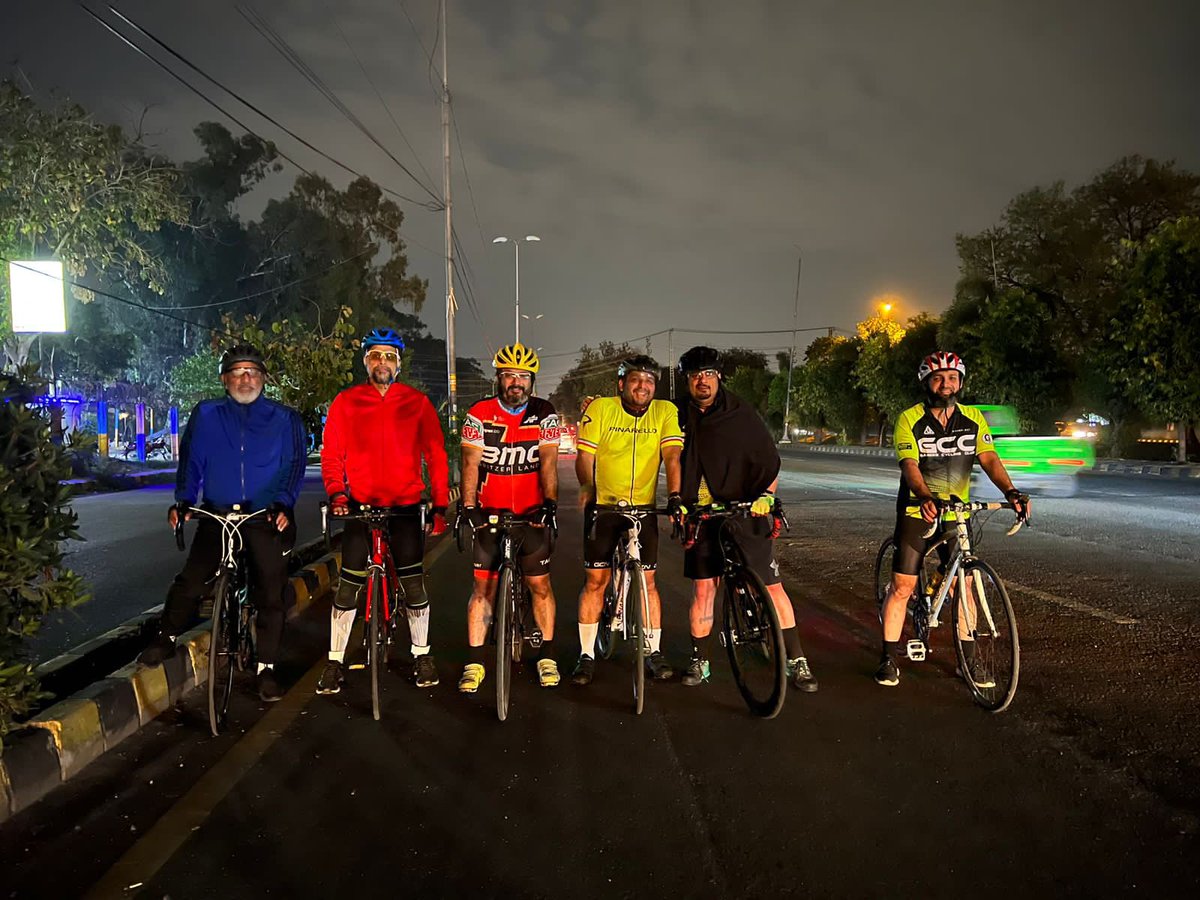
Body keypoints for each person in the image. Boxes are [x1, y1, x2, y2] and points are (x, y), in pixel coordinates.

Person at [138, 344, 306, 703]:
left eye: (252, 372)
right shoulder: (207, 414)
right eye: (237, 372)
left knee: (270, 592)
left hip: (261, 515)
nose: (245, 379)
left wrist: (282, 505)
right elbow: (193, 460)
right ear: (224, 379)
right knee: (192, 579)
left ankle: (266, 669)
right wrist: (184, 500)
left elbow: (293, 466)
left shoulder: (284, 418)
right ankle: (165, 638)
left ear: (263, 378)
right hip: (217, 514)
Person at [875, 351, 1029, 688]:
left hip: (955, 512)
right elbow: (910, 465)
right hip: (919, 510)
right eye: (938, 378)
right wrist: (925, 497)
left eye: (953, 378)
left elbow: (988, 457)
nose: (946, 384)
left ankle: (969, 662)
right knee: (903, 587)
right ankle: (887, 657)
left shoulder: (973, 418)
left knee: (966, 584)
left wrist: (1011, 492)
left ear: (960, 382)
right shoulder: (909, 419)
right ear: (926, 382)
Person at [672, 346, 818, 692]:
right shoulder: (678, 414)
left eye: (708, 374)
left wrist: (766, 497)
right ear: (687, 382)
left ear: (718, 377)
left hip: (747, 506)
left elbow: (768, 460)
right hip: (701, 512)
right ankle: (700, 660)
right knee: (704, 589)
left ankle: (797, 661)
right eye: (695, 376)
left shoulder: (739, 412)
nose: (701, 381)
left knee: (771, 585)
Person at [316, 327, 449, 695]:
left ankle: (422, 653)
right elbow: (331, 456)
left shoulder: (417, 403)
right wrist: (337, 495)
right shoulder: (346, 402)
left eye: (389, 356)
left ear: (398, 364)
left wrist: (439, 504)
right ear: (365, 362)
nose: (382, 362)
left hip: (404, 506)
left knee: (413, 582)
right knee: (348, 588)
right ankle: (334, 661)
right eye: (375, 355)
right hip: (360, 507)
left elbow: (436, 456)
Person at [571, 355, 684, 685]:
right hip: (604, 508)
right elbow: (585, 457)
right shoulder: (601, 408)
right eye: (636, 380)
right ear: (621, 384)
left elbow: (673, 456)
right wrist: (587, 486)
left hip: (644, 509)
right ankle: (586, 654)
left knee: (648, 582)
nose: (643, 386)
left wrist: (675, 496)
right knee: (596, 582)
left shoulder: (665, 412)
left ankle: (653, 651)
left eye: (649, 381)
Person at [457, 343, 562, 692]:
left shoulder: (544, 412)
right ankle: (475, 663)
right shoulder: (479, 412)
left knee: (540, 586)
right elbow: (470, 462)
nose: (516, 382)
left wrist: (549, 502)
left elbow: (547, 461)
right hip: (490, 514)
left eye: (523, 376)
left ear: (532, 381)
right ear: (498, 379)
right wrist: (468, 507)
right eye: (509, 376)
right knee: (482, 589)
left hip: (531, 515)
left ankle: (546, 655)